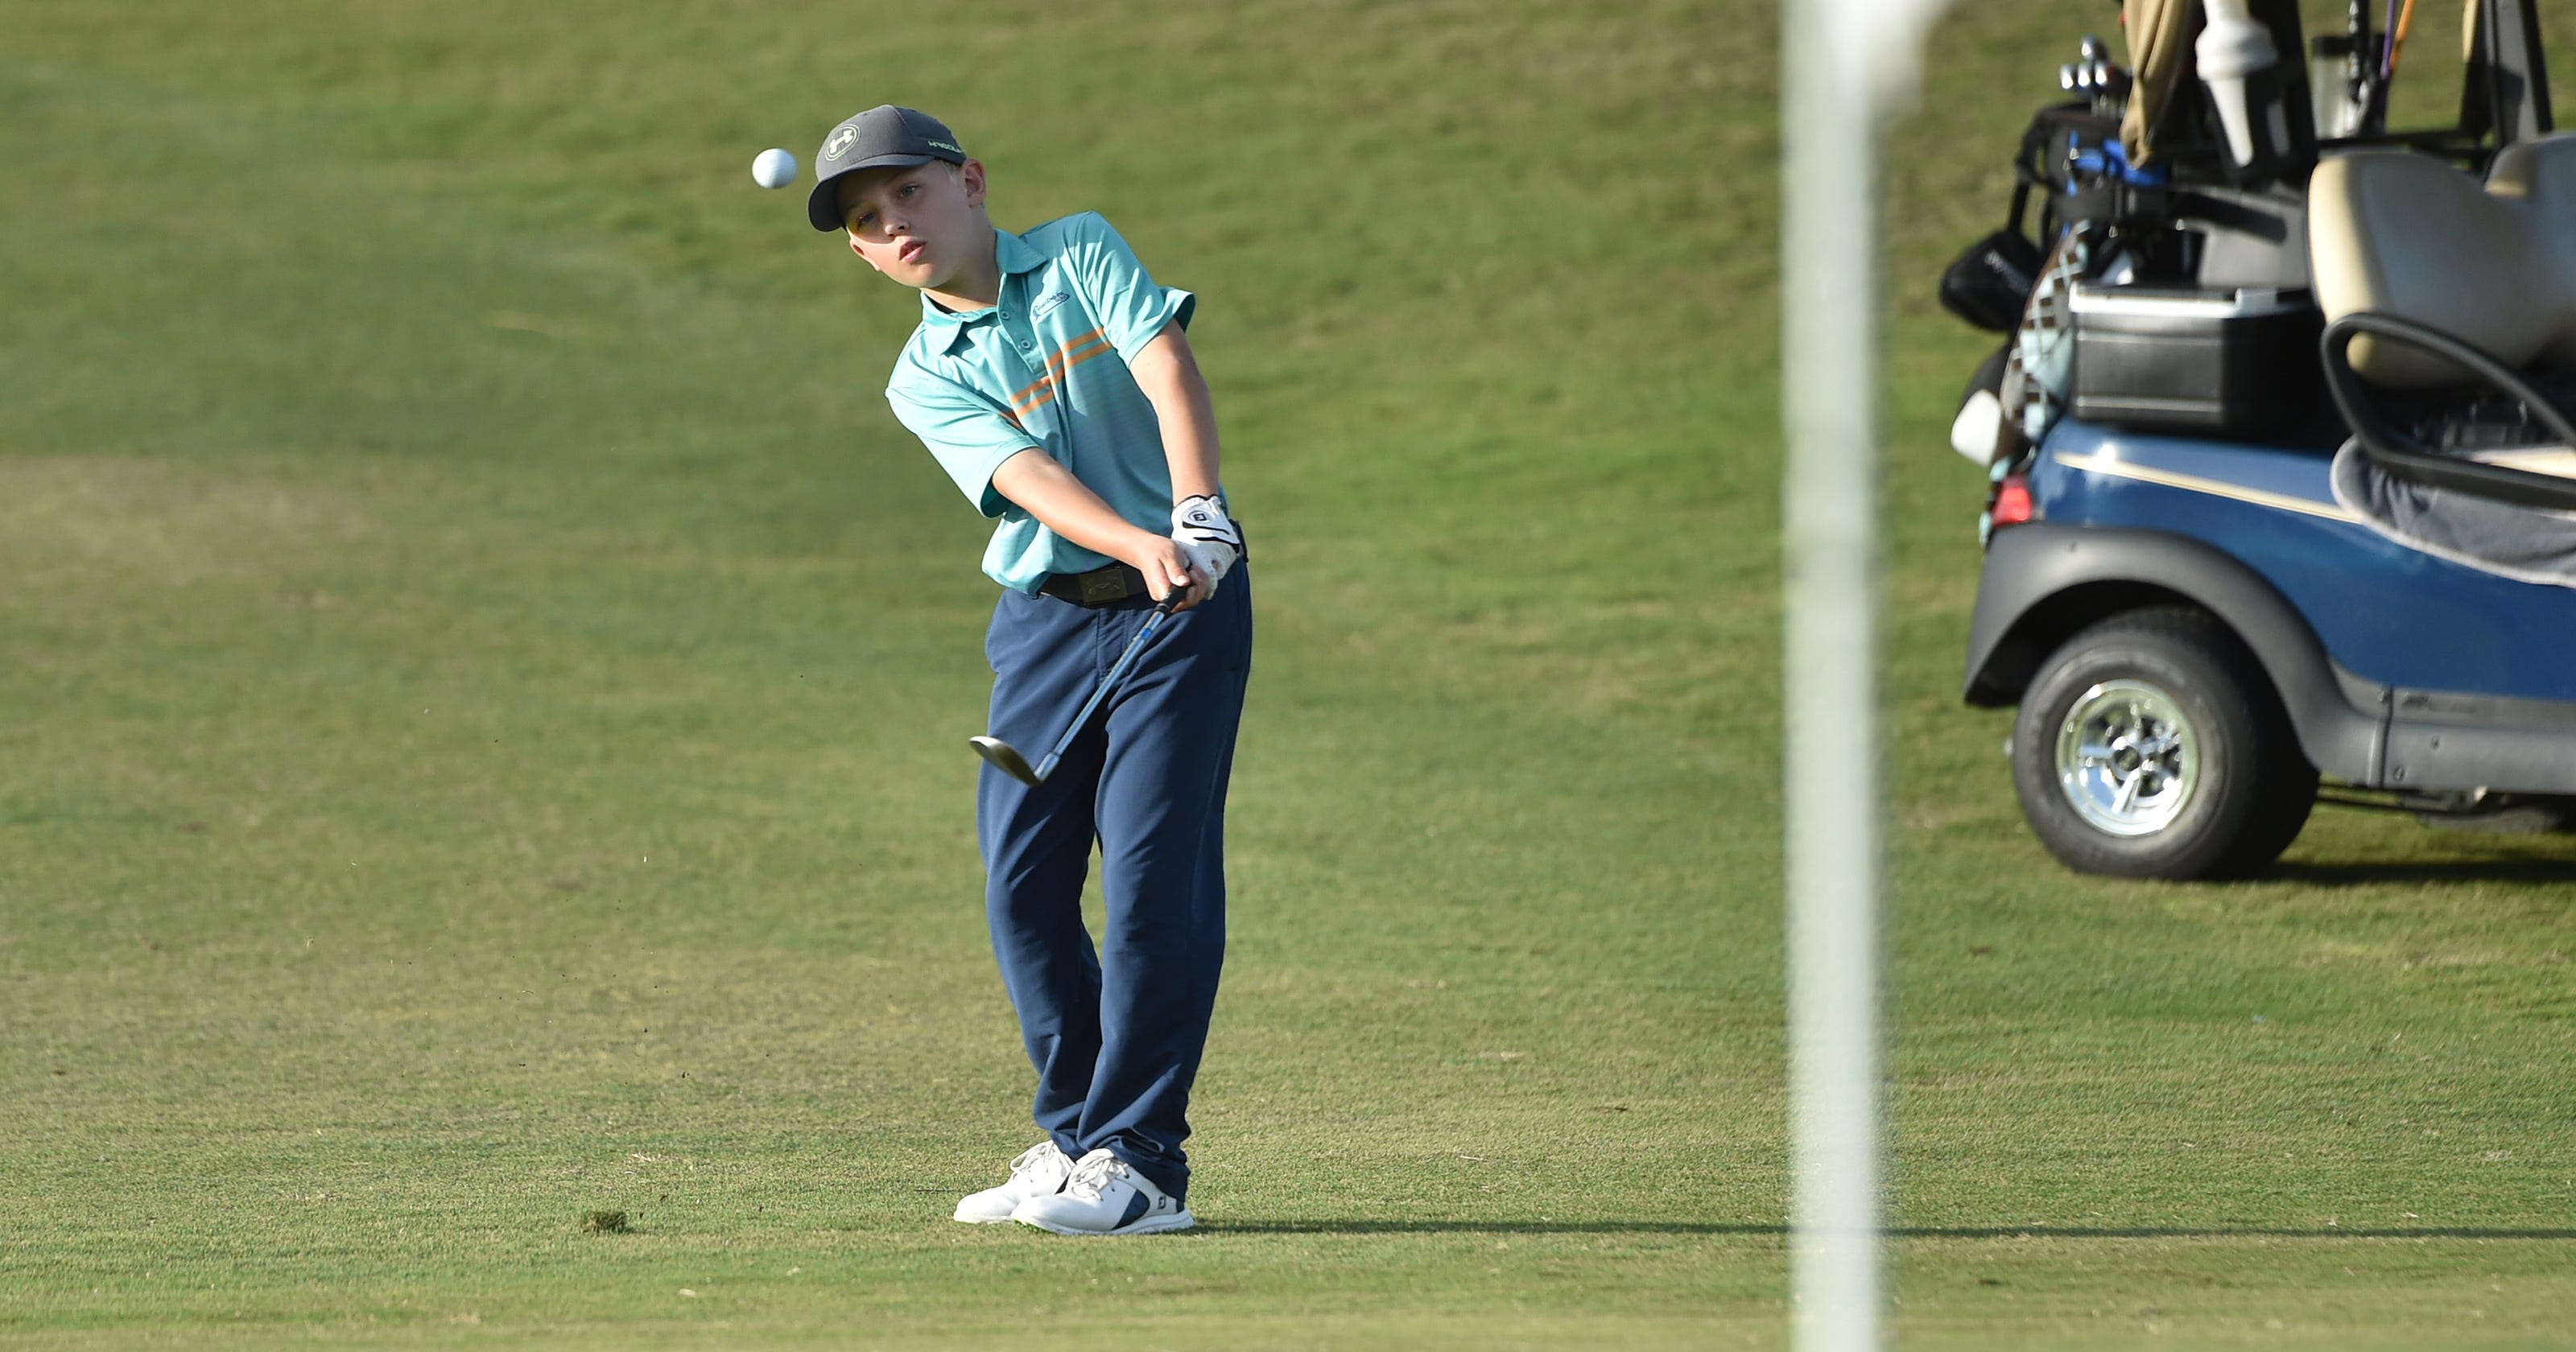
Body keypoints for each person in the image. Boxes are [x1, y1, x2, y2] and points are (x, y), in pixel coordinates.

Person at [805, 105, 1251, 1237]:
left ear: (971, 183)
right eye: (867, 219)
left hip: (1184, 605)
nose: (893, 222)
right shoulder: (920, 377)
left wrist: (1192, 517)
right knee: (1022, 883)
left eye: (908, 191)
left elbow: (1164, 363)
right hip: (1048, 626)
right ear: (860, 254)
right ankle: (1075, 1139)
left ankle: (1141, 1164)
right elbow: (1026, 478)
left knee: (1153, 877)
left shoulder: (1079, 249)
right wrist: (1130, 540)